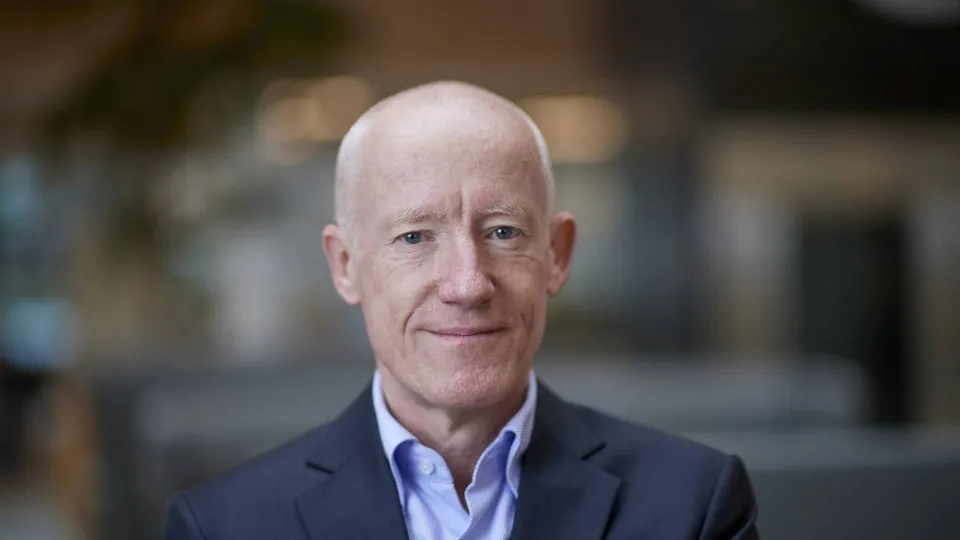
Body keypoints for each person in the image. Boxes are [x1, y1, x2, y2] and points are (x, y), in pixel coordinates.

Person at [164, 81, 759, 540]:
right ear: (345, 265)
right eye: (414, 237)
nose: (468, 285)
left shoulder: (694, 507)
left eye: (503, 232)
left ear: (557, 254)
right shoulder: (224, 527)